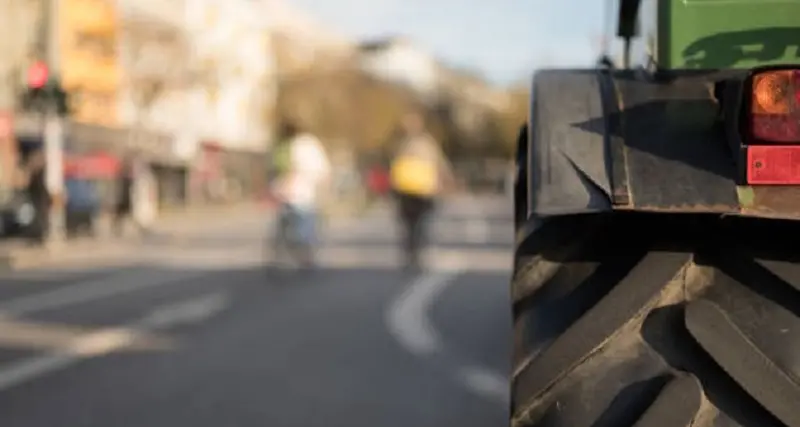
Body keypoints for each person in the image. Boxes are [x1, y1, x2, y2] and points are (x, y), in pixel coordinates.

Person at [389, 113, 454, 272]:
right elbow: (439, 163)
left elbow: (438, 163)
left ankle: (413, 250)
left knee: (414, 223)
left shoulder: (402, 144)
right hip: (414, 190)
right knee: (414, 223)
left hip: (417, 190)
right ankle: (413, 251)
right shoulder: (418, 143)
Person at [270, 121, 331, 267]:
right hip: (304, 193)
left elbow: (278, 167)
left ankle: (285, 251)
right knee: (305, 225)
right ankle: (303, 253)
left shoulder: (286, 145)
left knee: (288, 223)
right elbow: (322, 169)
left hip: (285, 192)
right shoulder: (309, 145)